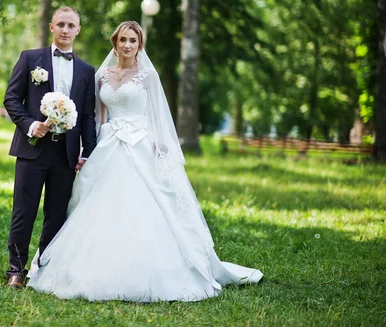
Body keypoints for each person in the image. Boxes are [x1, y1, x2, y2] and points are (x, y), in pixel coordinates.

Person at [27, 21, 263, 302]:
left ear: (140, 45)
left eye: (133, 41)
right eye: (123, 40)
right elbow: (99, 118)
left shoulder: (148, 76)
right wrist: (88, 150)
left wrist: (161, 149)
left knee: (149, 204)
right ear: (115, 43)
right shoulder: (102, 75)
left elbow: (158, 115)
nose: (127, 45)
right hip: (109, 143)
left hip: (141, 144)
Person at [3, 6, 97, 289]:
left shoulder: (86, 70)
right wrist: (32, 125)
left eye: (71, 25)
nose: (66, 30)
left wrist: (88, 150)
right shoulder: (31, 59)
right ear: (51, 27)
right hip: (32, 149)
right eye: (61, 24)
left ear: (78, 30)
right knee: (24, 211)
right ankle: (15, 270)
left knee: (56, 214)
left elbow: (88, 115)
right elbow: (12, 98)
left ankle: (45, 267)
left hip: (66, 153)